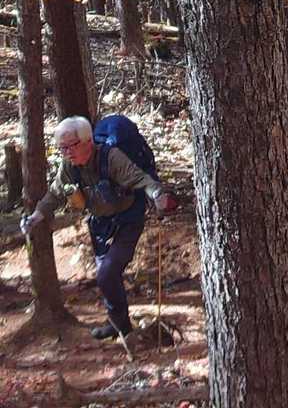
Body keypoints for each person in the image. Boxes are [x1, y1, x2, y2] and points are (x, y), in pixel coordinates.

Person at [21, 115, 179, 341]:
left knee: (107, 273)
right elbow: (55, 194)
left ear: (88, 141)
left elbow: (139, 179)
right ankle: (118, 323)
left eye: (71, 146)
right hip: (100, 226)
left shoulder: (111, 158)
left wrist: (156, 194)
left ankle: (123, 329)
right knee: (107, 278)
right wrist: (36, 216)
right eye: (62, 148)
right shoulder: (69, 166)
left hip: (127, 221)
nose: (67, 152)